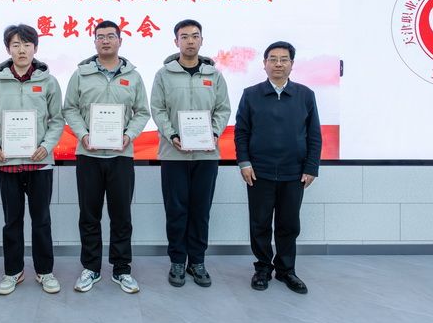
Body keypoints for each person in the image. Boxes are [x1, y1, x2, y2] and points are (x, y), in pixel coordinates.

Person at [63, 20, 150, 294]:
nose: (105, 41)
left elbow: (142, 112)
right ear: (94, 41)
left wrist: (128, 135)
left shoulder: (133, 76)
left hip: (121, 156)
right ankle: (91, 267)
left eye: (111, 36)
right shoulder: (81, 74)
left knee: (121, 215)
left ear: (120, 41)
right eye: (100, 37)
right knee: (89, 215)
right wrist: (83, 135)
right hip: (88, 155)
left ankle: (122, 269)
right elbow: (69, 109)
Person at [0, 24, 65, 295]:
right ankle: (13, 272)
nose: (21, 50)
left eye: (27, 44)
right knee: (12, 222)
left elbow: (57, 120)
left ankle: (45, 271)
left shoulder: (48, 81)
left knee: (41, 220)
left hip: (40, 163)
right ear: (8, 49)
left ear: (35, 48)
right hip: (7, 163)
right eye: (15, 45)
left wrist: (46, 146)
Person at [234, 41, 322, 295]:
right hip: (259, 172)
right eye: (273, 59)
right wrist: (244, 163)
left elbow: (314, 135)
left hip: (294, 173)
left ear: (292, 64)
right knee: (260, 224)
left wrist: (311, 167)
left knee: (289, 224)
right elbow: (241, 132)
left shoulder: (305, 95)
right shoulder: (251, 94)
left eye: (284, 59)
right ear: (264, 64)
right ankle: (263, 268)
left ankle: (286, 270)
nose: (278, 64)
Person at [150, 19, 231, 288]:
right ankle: (177, 261)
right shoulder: (164, 74)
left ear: (201, 40)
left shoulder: (214, 75)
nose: (190, 41)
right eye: (184, 36)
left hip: (207, 155)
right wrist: (172, 135)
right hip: (173, 155)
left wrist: (214, 134)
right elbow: (157, 109)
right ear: (176, 41)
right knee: (176, 210)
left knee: (200, 210)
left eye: (195, 36)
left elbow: (223, 109)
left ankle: (197, 261)